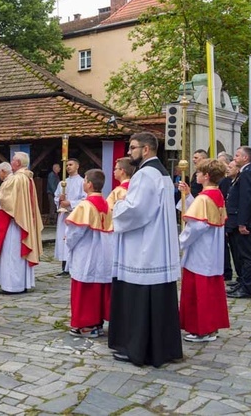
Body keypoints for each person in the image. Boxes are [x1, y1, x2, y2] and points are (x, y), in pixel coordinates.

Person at [109, 132, 182, 367]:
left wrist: (117, 205)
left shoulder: (145, 174)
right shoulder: (161, 173)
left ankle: (137, 349)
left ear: (146, 149)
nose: (129, 152)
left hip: (144, 249)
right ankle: (161, 348)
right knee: (158, 301)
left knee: (139, 301)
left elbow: (137, 210)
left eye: (132, 148)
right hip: (157, 246)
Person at [177, 159, 230, 343]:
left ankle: (201, 329)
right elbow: (202, 214)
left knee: (199, 292)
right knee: (210, 290)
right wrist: (188, 195)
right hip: (212, 250)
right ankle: (210, 327)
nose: (196, 175)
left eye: (198, 172)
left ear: (206, 176)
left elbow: (197, 226)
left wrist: (180, 242)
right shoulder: (216, 195)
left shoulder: (204, 198)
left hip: (201, 251)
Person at [64, 169, 113, 338]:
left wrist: (68, 243)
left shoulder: (85, 205)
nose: (83, 183)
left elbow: (75, 232)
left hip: (86, 252)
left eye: (84, 180)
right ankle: (97, 323)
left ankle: (86, 325)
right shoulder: (106, 203)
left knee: (84, 289)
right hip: (102, 252)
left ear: (89, 184)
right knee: (98, 287)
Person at [0, 152, 43, 294]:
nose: (11, 162)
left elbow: (7, 201)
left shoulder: (16, 179)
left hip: (15, 223)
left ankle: (12, 286)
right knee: (19, 254)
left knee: (12, 255)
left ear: (18, 163)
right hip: (22, 221)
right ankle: (24, 283)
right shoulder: (28, 178)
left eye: (13, 160)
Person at [226, 146, 251, 299]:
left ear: (245, 158)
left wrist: (242, 223)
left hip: (244, 222)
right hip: (238, 219)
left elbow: (246, 200)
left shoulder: (247, 173)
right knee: (240, 255)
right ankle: (242, 282)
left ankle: (247, 288)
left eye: (237, 155)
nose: (234, 158)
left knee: (247, 256)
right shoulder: (245, 173)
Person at [53, 159, 86, 276]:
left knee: (72, 239)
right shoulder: (62, 183)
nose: (68, 167)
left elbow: (84, 199)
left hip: (74, 215)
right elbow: (56, 197)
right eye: (66, 165)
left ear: (77, 166)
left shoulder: (82, 182)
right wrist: (60, 199)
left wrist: (70, 203)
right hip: (63, 216)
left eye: (70, 165)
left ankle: (74, 266)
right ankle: (64, 266)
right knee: (63, 240)